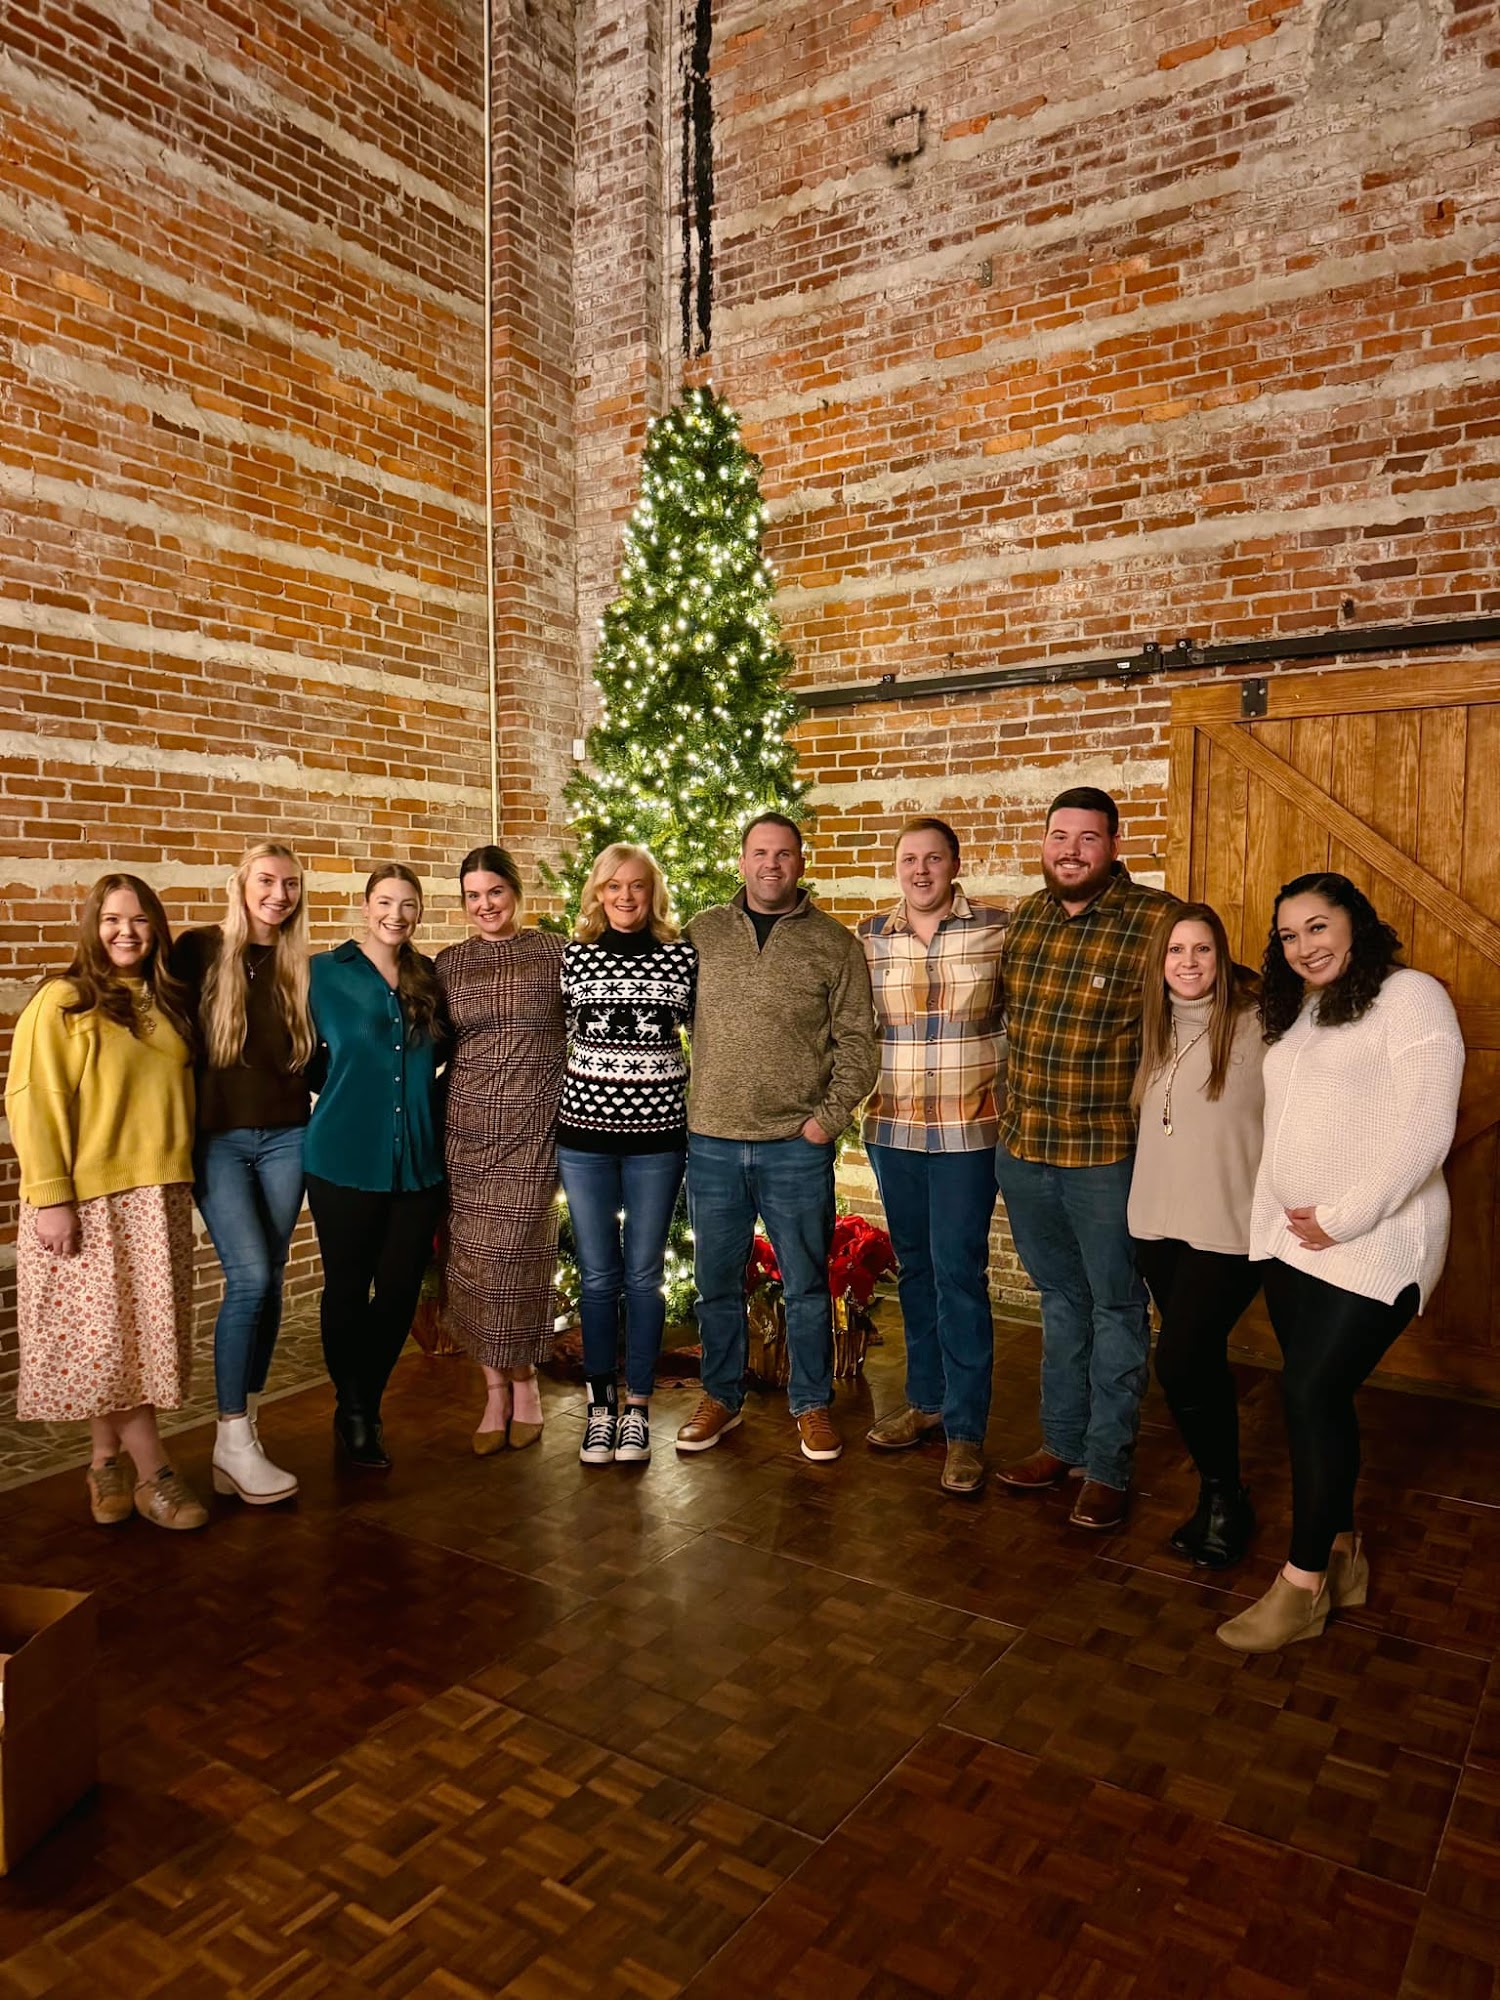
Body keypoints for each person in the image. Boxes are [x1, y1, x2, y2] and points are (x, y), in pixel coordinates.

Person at [1218, 873, 1465, 1653]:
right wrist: (1275, 1224)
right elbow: (1288, 1126)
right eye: (1288, 936)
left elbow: (1427, 1129)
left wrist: (1344, 1217)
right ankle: (1343, 1554)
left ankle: (1302, 1587)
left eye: (1317, 927)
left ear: (1356, 923)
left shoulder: (1412, 996)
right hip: (1296, 1244)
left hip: (1375, 1238)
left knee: (1309, 1390)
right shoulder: (1305, 1010)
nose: (1304, 947)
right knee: (1317, 1403)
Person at [994, 786, 1174, 1529]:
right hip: (1024, 1150)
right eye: (1059, 837)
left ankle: (1106, 1465)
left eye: (1088, 838)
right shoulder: (1027, 918)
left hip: (1105, 1158)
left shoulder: (1158, 923)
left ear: (1114, 845)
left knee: (1117, 1306)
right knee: (1060, 1301)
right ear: (1044, 843)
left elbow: (1222, 1002)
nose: (1071, 852)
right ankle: (1061, 1444)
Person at [5, 874, 208, 1530]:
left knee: (127, 1342)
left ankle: (103, 1462)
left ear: (157, 929)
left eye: (140, 919)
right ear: (93, 927)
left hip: (158, 1197)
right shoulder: (63, 1001)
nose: (127, 932)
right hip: (89, 1200)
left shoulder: (167, 1000)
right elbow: (34, 1100)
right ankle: (154, 1473)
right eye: (112, 919)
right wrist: (51, 1196)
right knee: (111, 1346)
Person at [676, 813, 877, 1463]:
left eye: (783, 854)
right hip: (711, 1142)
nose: (771, 864)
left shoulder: (833, 944)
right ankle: (721, 1396)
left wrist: (826, 1120)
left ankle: (811, 1403)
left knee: (807, 1285)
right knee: (716, 1283)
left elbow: (859, 1043)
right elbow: (664, 1016)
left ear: (800, 862)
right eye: (760, 853)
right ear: (741, 861)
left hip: (795, 1146)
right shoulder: (702, 933)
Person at [857, 817, 1008, 1495]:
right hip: (893, 1131)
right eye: (909, 859)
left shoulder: (998, 930)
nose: (921, 871)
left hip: (967, 1133)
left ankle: (966, 1431)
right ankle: (926, 1402)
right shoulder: (869, 938)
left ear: (954, 864)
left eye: (934, 859)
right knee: (914, 1269)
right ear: (897, 868)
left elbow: (1021, 1020)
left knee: (959, 1273)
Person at [172, 843, 312, 1506]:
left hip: (288, 1138)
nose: (278, 895)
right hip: (219, 1142)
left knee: (273, 1279)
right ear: (242, 883)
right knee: (250, 1277)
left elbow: (321, 1058)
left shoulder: (300, 966)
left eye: (290, 884)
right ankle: (230, 1436)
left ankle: (245, 1426)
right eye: (267, 881)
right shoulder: (199, 951)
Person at [1128, 903, 1265, 1566]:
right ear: (1160, 961)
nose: (1188, 962)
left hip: (1229, 1227)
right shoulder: (1151, 1027)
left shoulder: (1261, 1025)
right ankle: (1223, 1496)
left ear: (1222, 956)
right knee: (1199, 1360)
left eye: (1202, 949)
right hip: (1156, 1224)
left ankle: (1222, 1495)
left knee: (1180, 1359)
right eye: (1176, 950)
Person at [558, 844, 697, 1467]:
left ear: (652, 892)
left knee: (643, 1276)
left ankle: (637, 1405)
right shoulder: (574, 958)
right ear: (598, 892)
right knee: (596, 1276)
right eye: (613, 886)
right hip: (584, 1138)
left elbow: (705, 1038)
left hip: (657, 1140)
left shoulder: (680, 958)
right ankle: (600, 1407)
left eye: (637, 885)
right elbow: (558, 1035)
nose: (625, 896)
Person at [305, 865, 447, 1470]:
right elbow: (301, 1058)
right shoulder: (320, 973)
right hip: (342, 1156)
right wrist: (348, 1088)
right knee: (346, 1288)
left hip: (417, 1162)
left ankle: (363, 1403)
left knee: (398, 1291)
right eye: (385, 902)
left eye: (408, 904)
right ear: (365, 907)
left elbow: (446, 1053)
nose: (396, 914)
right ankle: (357, 1413)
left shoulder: (429, 975)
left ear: (418, 912)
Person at [435, 845, 567, 1454]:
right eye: (473, 896)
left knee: (517, 1257)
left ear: (515, 891)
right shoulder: (449, 963)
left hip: (535, 1128)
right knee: (473, 1262)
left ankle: (526, 1382)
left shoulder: (555, 951)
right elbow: (431, 1045)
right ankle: (494, 1391)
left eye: (495, 891)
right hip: (466, 1129)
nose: (485, 905)